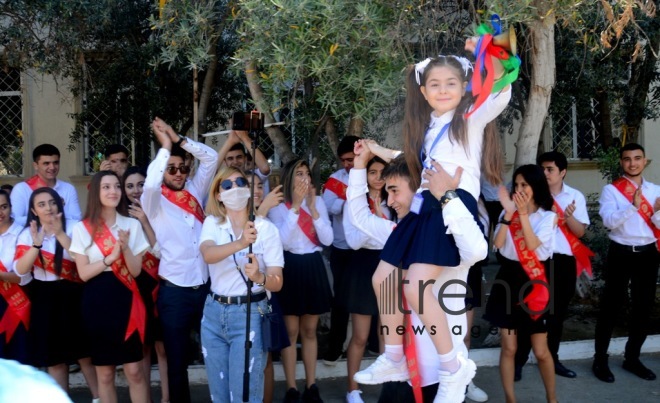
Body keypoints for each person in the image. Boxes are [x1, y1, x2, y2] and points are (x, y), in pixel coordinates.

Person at [354, 41, 511, 402]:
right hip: (426, 208)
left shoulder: (469, 120)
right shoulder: (428, 129)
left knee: (416, 287)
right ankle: (393, 355)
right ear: (424, 93)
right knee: (383, 277)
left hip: (452, 205)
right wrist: (376, 149)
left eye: (451, 83)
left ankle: (453, 368)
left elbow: (501, 90)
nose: (443, 90)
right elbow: (414, 161)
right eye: (435, 84)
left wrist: (488, 50)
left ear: (465, 88)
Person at [346, 148, 486, 403]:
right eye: (387, 192)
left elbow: (478, 251)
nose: (389, 201)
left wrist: (447, 197)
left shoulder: (450, 233)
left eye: (395, 190)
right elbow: (359, 219)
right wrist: (358, 166)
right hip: (401, 373)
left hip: (440, 376)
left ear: (420, 186)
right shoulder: (398, 233)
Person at [141, 117, 218, 403]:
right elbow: (149, 185)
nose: (177, 173)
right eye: (171, 168)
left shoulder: (195, 191)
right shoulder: (155, 200)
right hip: (174, 293)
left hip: (206, 288)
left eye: (182, 168)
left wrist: (180, 139)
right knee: (176, 364)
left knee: (216, 354)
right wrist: (165, 148)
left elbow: (210, 159)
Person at [199, 167, 284, 402]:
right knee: (219, 394)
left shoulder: (267, 230)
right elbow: (208, 254)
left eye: (240, 182)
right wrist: (241, 243)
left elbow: (277, 282)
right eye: (227, 185)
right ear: (218, 194)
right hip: (214, 312)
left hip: (250, 313)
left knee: (245, 394)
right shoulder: (212, 224)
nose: (235, 188)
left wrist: (260, 278)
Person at [69, 171, 149, 403]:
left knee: (134, 370)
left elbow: (135, 271)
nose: (113, 191)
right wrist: (110, 257)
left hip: (126, 299)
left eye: (116, 186)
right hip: (97, 302)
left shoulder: (131, 224)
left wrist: (124, 249)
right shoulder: (82, 228)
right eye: (106, 187)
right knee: (105, 373)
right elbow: (83, 274)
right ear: (96, 192)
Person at [13, 187, 99, 399]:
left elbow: (81, 258)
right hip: (44, 297)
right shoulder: (27, 233)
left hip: (74, 293)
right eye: (41, 204)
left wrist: (59, 233)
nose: (48, 208)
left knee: (85, 354)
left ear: (59, 203)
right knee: (55, 358)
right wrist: (36, 243)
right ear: (33, 210)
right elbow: (20, 270)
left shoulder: (74, 227)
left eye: (51, 202)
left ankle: (100, 397)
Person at [483, 164, 557, 403]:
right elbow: (498, 245)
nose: (520, 189)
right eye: (516, 185)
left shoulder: (548, 216)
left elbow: (534, 245)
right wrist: (507, 216)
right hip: (508, 281)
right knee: (509, 348)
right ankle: (510, 399)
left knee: (541, 351)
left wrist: (522, 214)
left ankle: (552, 398)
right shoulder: (509, 213)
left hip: (535, 283)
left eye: (525, 184)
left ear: (537, 186)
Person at [514, 151, 591, 381]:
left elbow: (581, 232)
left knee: (557, 314)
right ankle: (519, 360)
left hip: (564, 262)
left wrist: (569, 219)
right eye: (543, 169)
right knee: (530, 313)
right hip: (536, 263)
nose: (546, 173)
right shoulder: (533, 195)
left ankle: (552, 358)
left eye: (550, 169)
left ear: (563, 172)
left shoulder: (574, 196)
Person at [593, 143, 660, 383]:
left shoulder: (656, 191)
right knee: (611, 306)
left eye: (637, 158)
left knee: (643, 308)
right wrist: (633, 206)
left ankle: (632, 358)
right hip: (620, 252)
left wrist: (654, 213)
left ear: (645, 161)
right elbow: (610, 222)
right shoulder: (611, 191)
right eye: (627, 159)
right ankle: (600, 359)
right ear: (622, 162)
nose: (633, 163)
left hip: (648, 253)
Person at [267, 159, 333, 403]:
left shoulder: (319, 201)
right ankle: (292, 388)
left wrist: (314, 210)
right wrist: (295, 207)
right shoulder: (278, 206)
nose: (304, 178)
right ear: (289, 178)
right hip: (290, 266)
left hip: (312, 266)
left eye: (306, 173)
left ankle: (312, 385)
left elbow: (327, 239)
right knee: (290, 331)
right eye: (298, 173)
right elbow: (281, 242)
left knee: (309, 330)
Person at [341, 155, 389, 402]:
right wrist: (379, 222)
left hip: (390, 265)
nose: (378, 178)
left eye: (383, 172)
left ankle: (387, 388)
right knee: (360, 335)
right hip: (363, 266)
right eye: (373, 172)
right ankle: (353, 389)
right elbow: (355, 240)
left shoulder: (396, 199)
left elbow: (397, 237)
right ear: (365, 175)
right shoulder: (355, 202)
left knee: (387, 333)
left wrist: (378, 222)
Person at [121, 166, 170, 403]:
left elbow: (162, 252)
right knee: (143, 348)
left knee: (163, 348)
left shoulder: (160, 211)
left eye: (141, 184)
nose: (135, 190)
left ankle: (167, 398)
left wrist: (144, 220)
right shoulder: (119, 218)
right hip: (135, 287)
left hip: (160, 284)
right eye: (129, 186)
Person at [244, 172, 288, 403]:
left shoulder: (268, 226)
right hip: (232, 304)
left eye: (260, 185)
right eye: (250, 186)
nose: (258, 190)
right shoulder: (221, 224)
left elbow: (275, 276)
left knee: (265, 360)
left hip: (264, 299)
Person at [321, 135, 360, 366]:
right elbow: (327, 208)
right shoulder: (335, 180)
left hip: (367, 248)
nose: (347, 164)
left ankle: (374, 344)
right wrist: (347, 199)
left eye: (351, 159)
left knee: (372, 297)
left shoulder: (374, 176)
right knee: (341, 300)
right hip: (342, 247)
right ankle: (336, 347)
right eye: (343, 160)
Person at [11, 144, 81, 226]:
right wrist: (45, 219)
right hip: (32, 236)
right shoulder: (21, 189)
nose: (52, 167)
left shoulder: (68, 189)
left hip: (63, 236)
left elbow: (76, 219)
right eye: (46, 163)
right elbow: (14, 219)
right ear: (35, 166)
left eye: (56, 163)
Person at [0, 189, 30, 363]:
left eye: (4, 207)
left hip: (16, 302)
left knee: (18, 357)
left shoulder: (22, 234)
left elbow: (22, 276)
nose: (0, 212)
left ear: (11, 208)